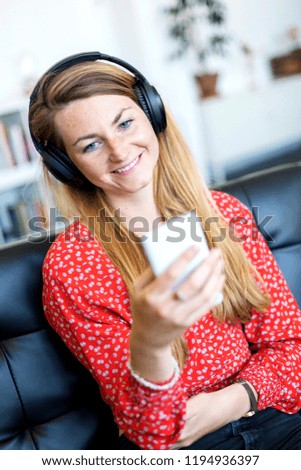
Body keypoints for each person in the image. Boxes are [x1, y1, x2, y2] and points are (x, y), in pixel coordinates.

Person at [28, 52, 301, 450]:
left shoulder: (224, 214)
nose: (120, 152)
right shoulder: (72, 266)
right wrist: (151, 344)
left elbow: (291, 347)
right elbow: (155, 433)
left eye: (125, 123)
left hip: (275, 414)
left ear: (152, 115)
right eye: (90, 145)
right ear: (66, 165)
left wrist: (233, 400)